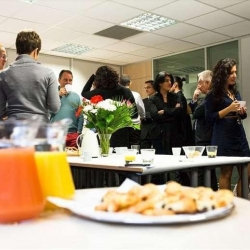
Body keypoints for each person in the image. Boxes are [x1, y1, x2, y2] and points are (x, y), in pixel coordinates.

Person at [205, 58, 250, 196]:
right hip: (223, 135)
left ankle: (240, 199)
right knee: (226, 173)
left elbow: (242, 116)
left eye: (235, 72)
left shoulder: (235, 92)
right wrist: (229, 108)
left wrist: (242, 112)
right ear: (222, 74)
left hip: (238, 134)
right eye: (231, 72)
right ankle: (228, 203)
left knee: (247, 171)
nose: (234, 76)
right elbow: (209, 118)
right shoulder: (213, 94)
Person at [0, 30, 60, 122]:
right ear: (36, 51)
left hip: (14, 130)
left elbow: (1, 110)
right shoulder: (48, 73)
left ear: (18, 49)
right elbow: (55, 107)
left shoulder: (3, 75)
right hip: (40, 129)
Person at [81, 66, 137, 148]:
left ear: (98, 79)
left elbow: (84, 92)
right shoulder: (125, 91)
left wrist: (93, 76)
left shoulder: (98, 92)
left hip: (103, 131)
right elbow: (134, 114)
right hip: (121, 132)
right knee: (119, 157)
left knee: (104, 156)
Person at [148, 71, 183, 184]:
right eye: (166, 81)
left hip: (174, 133)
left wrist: (164, 112)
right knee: (160, 162)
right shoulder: (153, 99)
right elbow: (155, 116)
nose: (169, 83)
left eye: (170, 81)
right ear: (159, 83)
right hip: (159, 134)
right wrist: (172, 111)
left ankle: (174, 185)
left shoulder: (175, 97)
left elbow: (179, 113)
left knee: (175, 161)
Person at [189, 70, 218, 191]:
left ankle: (203, 195)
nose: (198, 86)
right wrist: (195, 100)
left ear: (208, 83)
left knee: (203, 170)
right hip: (202, 137)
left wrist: (195, 100)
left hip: (206, 139)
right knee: (207, 171)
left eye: (200, 83)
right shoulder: (206, 98)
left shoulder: (211, 97)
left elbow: (196, 113)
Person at [50, 70, 83, 147]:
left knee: (74, 158)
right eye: (65, 80)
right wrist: (58, 96)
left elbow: (80, 115)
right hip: (56, 134)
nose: (68, 82)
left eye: (70, 80)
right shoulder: (52, 95)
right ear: (59, 80)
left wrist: (78, 132)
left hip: (73, 135)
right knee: (56, 158)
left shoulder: (76, 97)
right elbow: (47, 112)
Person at [119, 74, 145, 147]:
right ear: (130, 83)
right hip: (134, 126)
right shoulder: (136, 95)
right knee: (134, 147)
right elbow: (141, 109)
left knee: (122, 147)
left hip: (121, 126)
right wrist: (143, 116)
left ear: (119, 83)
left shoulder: (117, 95)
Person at [171, 76, 193, 146]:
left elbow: (180, 115)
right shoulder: (180, 96)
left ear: (175, 85)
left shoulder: (178, 97)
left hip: (180, 132)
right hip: (182, 131)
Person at [140, 80, 157, 149]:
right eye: (145, 88)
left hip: (156, 131)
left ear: (154, 88)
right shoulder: (142, 101)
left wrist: (144, 115)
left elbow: (158, 114)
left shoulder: (159, 100)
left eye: (148, 87)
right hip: (144, 132)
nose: (146, 89)